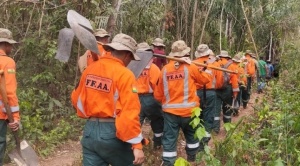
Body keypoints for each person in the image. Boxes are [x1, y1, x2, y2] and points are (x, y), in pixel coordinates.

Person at [71, 33, 147, 166]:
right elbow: (129, 112)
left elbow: (76, 101)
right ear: (127, 55)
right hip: (112, 133)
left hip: (90, 132)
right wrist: (137, 145)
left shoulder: (90, 69)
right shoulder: (125, 74)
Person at [154, 40, 211, 166]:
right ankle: (192, 158)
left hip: (170, 114)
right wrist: (205, 71)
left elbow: (157, 95)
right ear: (185, 53)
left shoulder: (164, 70)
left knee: (169, 139)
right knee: (191, 136)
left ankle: (168, 162)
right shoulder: (191, 67)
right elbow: (204, 80)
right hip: (189, 112)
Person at [136, 42, 164, 150]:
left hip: (135, 98)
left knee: (136, 122)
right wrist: (159, 101)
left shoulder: (132, 67)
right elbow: (158, 87)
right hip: (150, 98)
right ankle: (157, 144)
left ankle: (136, 146)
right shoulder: (153, 68)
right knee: (157, 120)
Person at [0, 28, 20, 165]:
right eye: (11, 44)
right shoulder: (7, 62)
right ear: (5, 44)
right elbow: (10, 93)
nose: (12, 47)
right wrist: (15, 118)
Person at [193, 44, 219, 147]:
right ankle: (204, 143)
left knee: (197, 117)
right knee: (208, 118)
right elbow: (219, 79)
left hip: (195, 93)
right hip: (210, 93)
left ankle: (196, 141)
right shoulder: (214, 64)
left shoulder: (192, 64)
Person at [215, 51, 239, 129]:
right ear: (228, 58)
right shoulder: (232, 66)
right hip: (228, 89)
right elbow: (235, 81)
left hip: (216, 89)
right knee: (227, 109)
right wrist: (235, 92)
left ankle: (215, 129)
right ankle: (227, 127)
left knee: (216, 109)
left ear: (220, 57)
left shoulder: (215, 64)